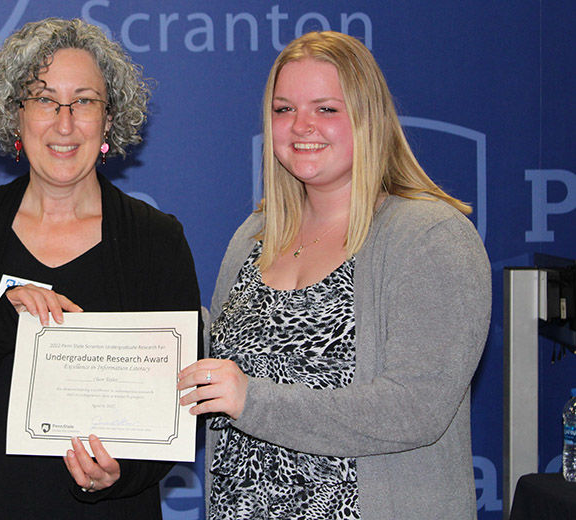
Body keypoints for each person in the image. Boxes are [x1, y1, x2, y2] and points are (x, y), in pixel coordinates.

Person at [0, 18, 201, 519]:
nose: (64, 123)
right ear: (15, 116)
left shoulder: (156, 240)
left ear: (109, 120)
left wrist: (122, 473)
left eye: (84, 101)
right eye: (43, 99)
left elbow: (185, 404)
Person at [178, 31, 491, 520]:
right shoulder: (255, 235)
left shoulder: (431, 236)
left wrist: (252, 400)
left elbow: (415, 409)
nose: (301, 126)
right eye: (284, 110)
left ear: (368, 118)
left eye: (325, 109)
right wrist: (103, 328)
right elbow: (219, 355)